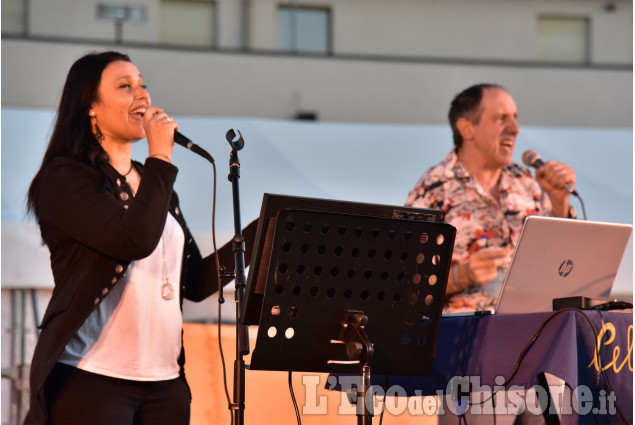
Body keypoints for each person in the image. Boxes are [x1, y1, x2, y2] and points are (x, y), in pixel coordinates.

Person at [24, 51, 255, 425]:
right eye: (125, 86)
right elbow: (132, 241)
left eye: (143, 84)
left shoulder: (154, 185)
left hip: (165, 384)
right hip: (92, 379)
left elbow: (193, 282)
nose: (143, 95)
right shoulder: (65, 179)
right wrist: (160, 155)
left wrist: (263, 231)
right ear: (90, 106)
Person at [406, 83, 577, 313]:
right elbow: (406, 284)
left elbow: (564, 266)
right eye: (501, 118)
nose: (515, 129)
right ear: (467, 129)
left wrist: (559, 202)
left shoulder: (526, 183)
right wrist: (461, 276)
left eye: (515, 118)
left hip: (535, 324)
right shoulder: (434, 189)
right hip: (465, 335)